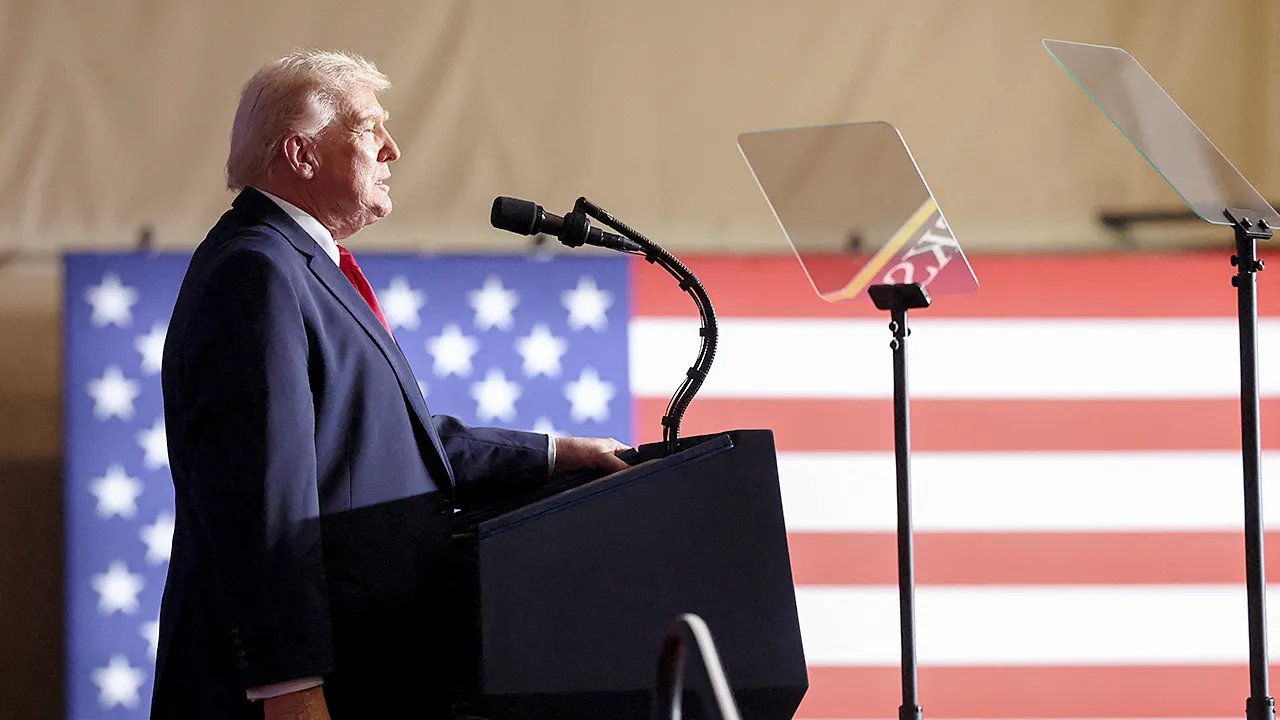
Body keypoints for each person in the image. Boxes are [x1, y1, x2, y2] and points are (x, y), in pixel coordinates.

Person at [150, 49, 629, 720]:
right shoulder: (255, 270)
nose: (392, 149)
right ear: (301, 154)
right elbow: (261, 498)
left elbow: (384, 445)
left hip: (367, 672)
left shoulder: (297, 263)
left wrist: (557, 453)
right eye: (369, 127)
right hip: (300, 691)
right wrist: (290, 686)